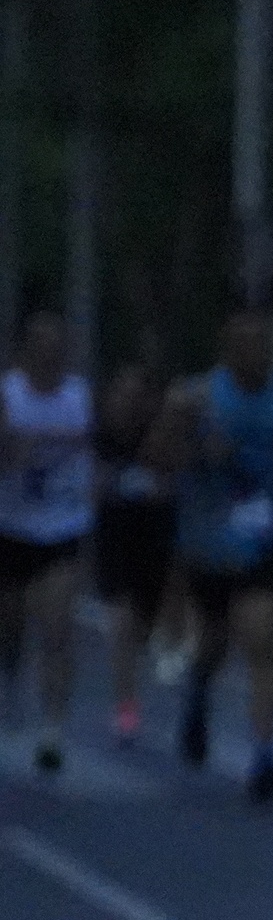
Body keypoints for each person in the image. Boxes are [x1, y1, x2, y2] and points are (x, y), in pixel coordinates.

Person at [166, 303, 273, 803]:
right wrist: (191, 437)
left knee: (263, 638)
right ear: (227, 353)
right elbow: (163, 460)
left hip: (264, 537)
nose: (258, 354)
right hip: (210, 540)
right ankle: (199, 694)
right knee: (213, 646)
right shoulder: (200, 397)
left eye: (264, 344)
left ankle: (264, 754)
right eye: (246, 345)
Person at [0, 311, 96, 775]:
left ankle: (53, 730)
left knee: (57, 629)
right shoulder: (8, 396)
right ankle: (10, 672)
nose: (49, 355)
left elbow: (100, 447)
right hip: (11, 525)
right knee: (11, 620)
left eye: (57, 347)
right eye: (40, 346)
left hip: (61, 526)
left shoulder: (79, 397)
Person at [87, 363, 174, 746]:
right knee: (121, 625)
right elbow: (90, 483)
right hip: (115, 539)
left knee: (142, 628)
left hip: (154, 540)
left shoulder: (160, 437)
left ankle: (136, 685)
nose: (129, 403)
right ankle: (126, 707)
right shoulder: (99, 436)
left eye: (138, 396)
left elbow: (173, 482)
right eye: (122, 394)